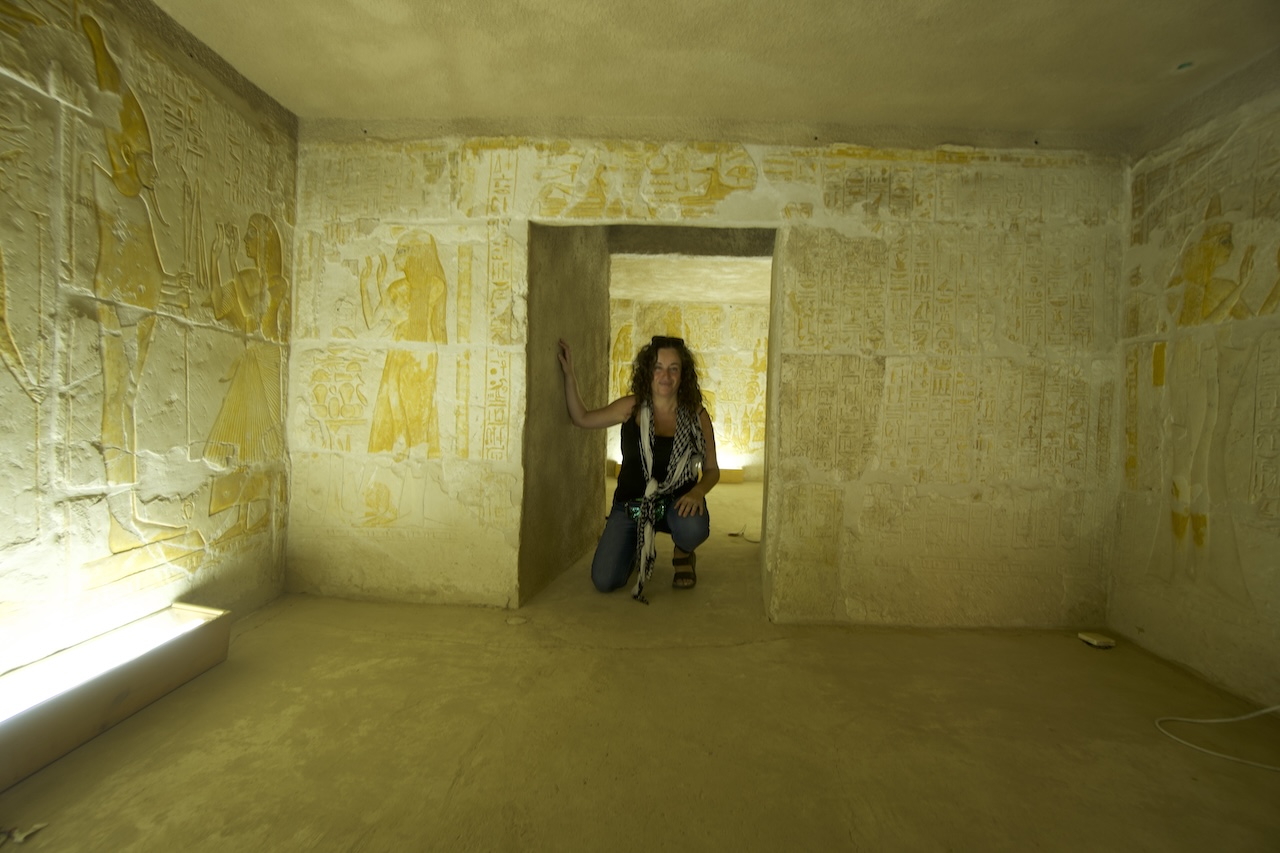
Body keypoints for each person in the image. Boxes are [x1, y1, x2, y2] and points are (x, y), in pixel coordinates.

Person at [559, 335, 720, 602]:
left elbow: (712, 469)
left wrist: (698, 492)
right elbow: (582, 418)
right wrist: (570, 374)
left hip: (676, 504)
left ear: (683, 375)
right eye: (658, 367)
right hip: (632, 505)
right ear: (648, 372)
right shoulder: (631, 407)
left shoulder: (696, 416)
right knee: (605, 580)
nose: (665, 376)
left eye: (673, 368)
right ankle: (635, 544)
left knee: (693, 527)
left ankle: (683, 552)